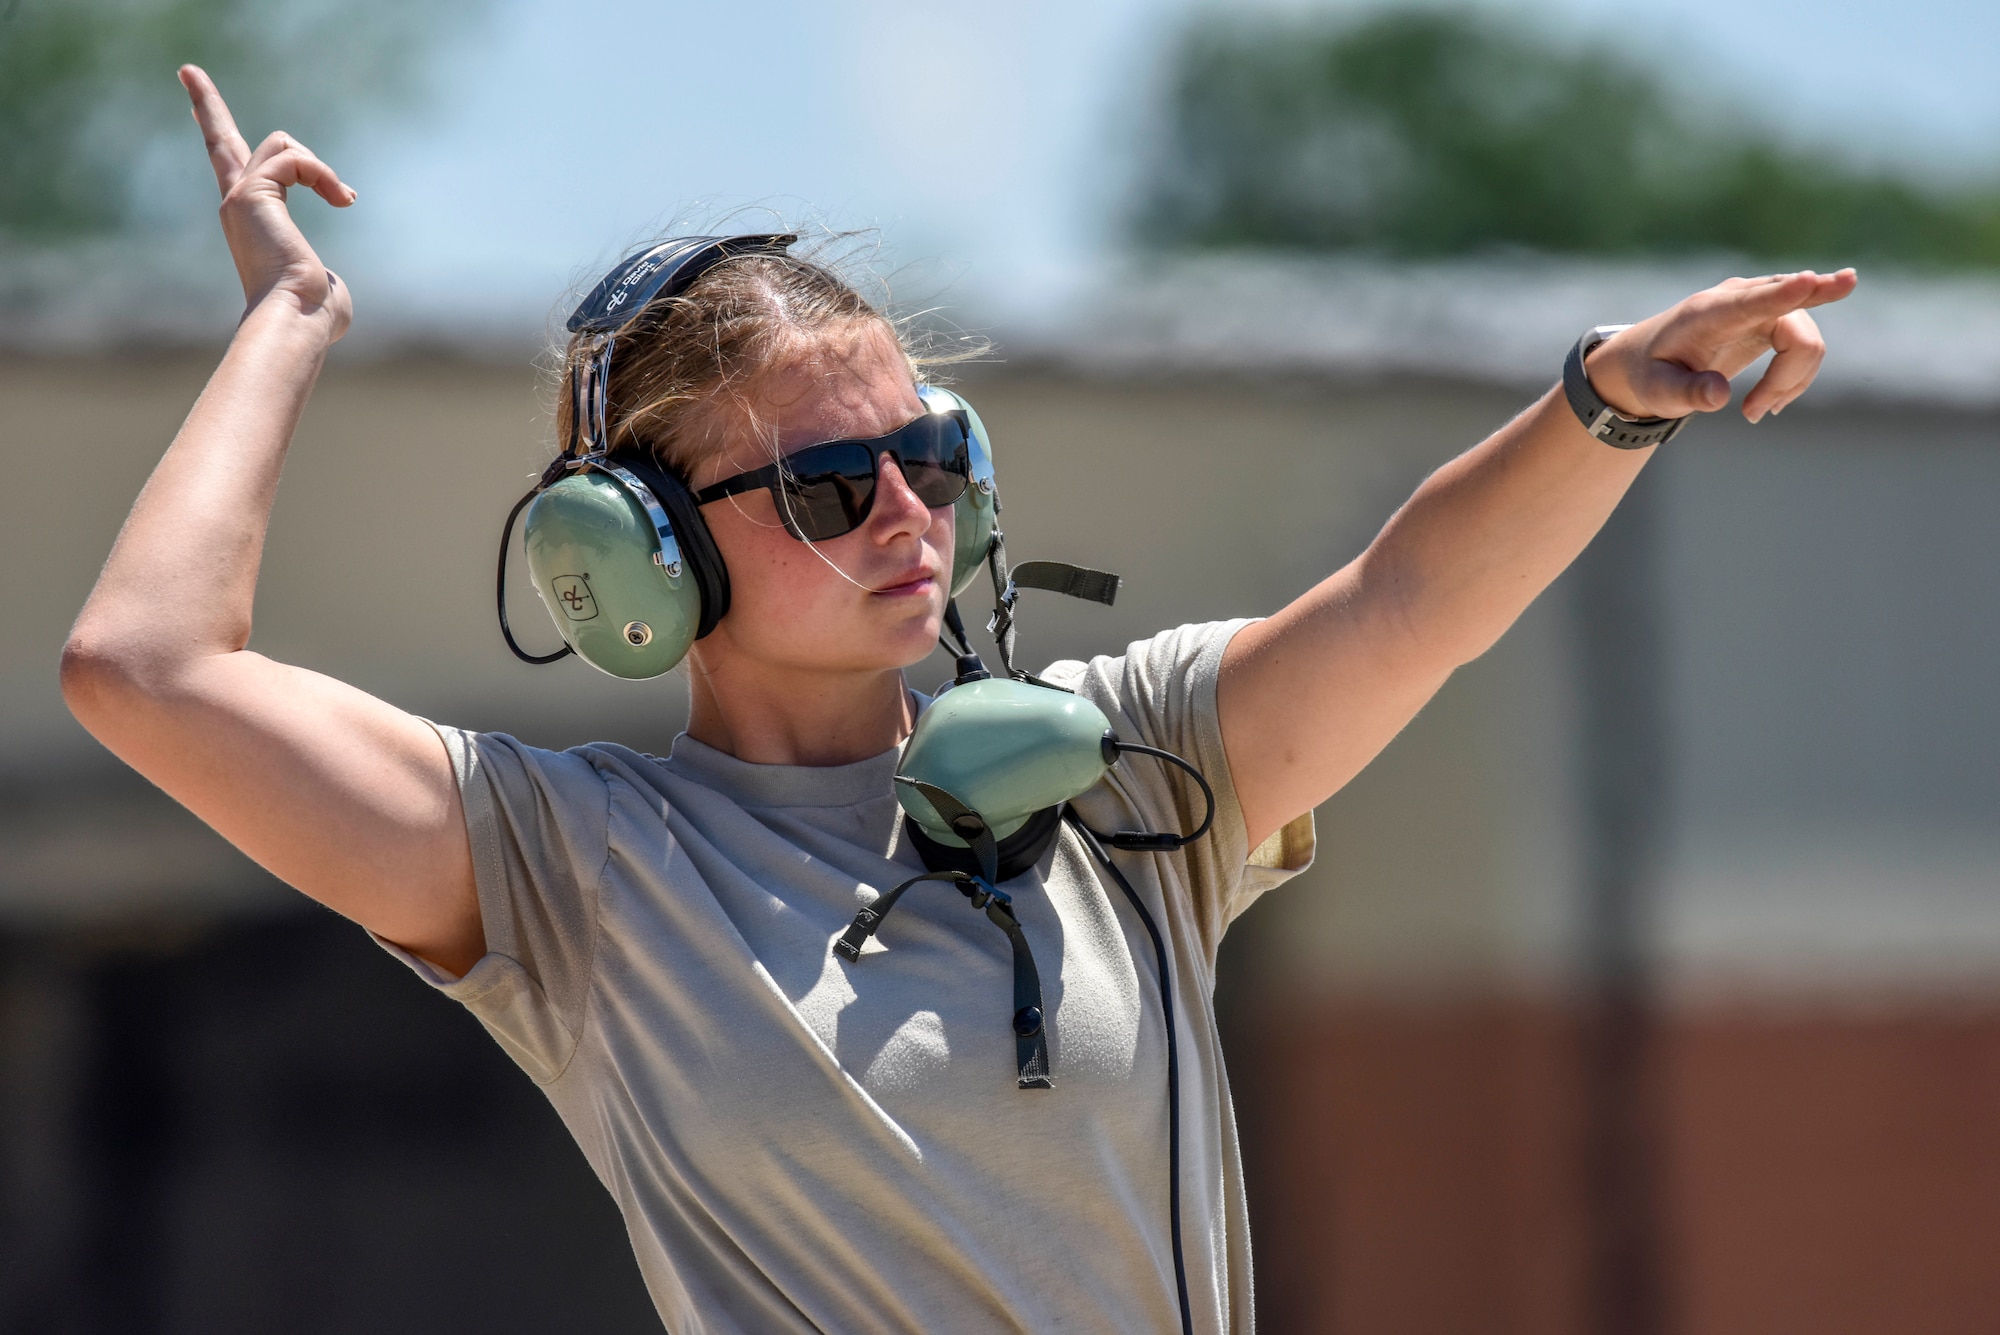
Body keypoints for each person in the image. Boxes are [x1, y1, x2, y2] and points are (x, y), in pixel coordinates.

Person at [60, 66, 1856, 1334]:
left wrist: (1606, 405)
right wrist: (289, 315)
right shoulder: (568, 868)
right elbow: (143, 670)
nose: (913, 515)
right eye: (835, 489)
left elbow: (1402, 603)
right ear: (636, 565)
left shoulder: (1124, 772)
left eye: (933, 455)